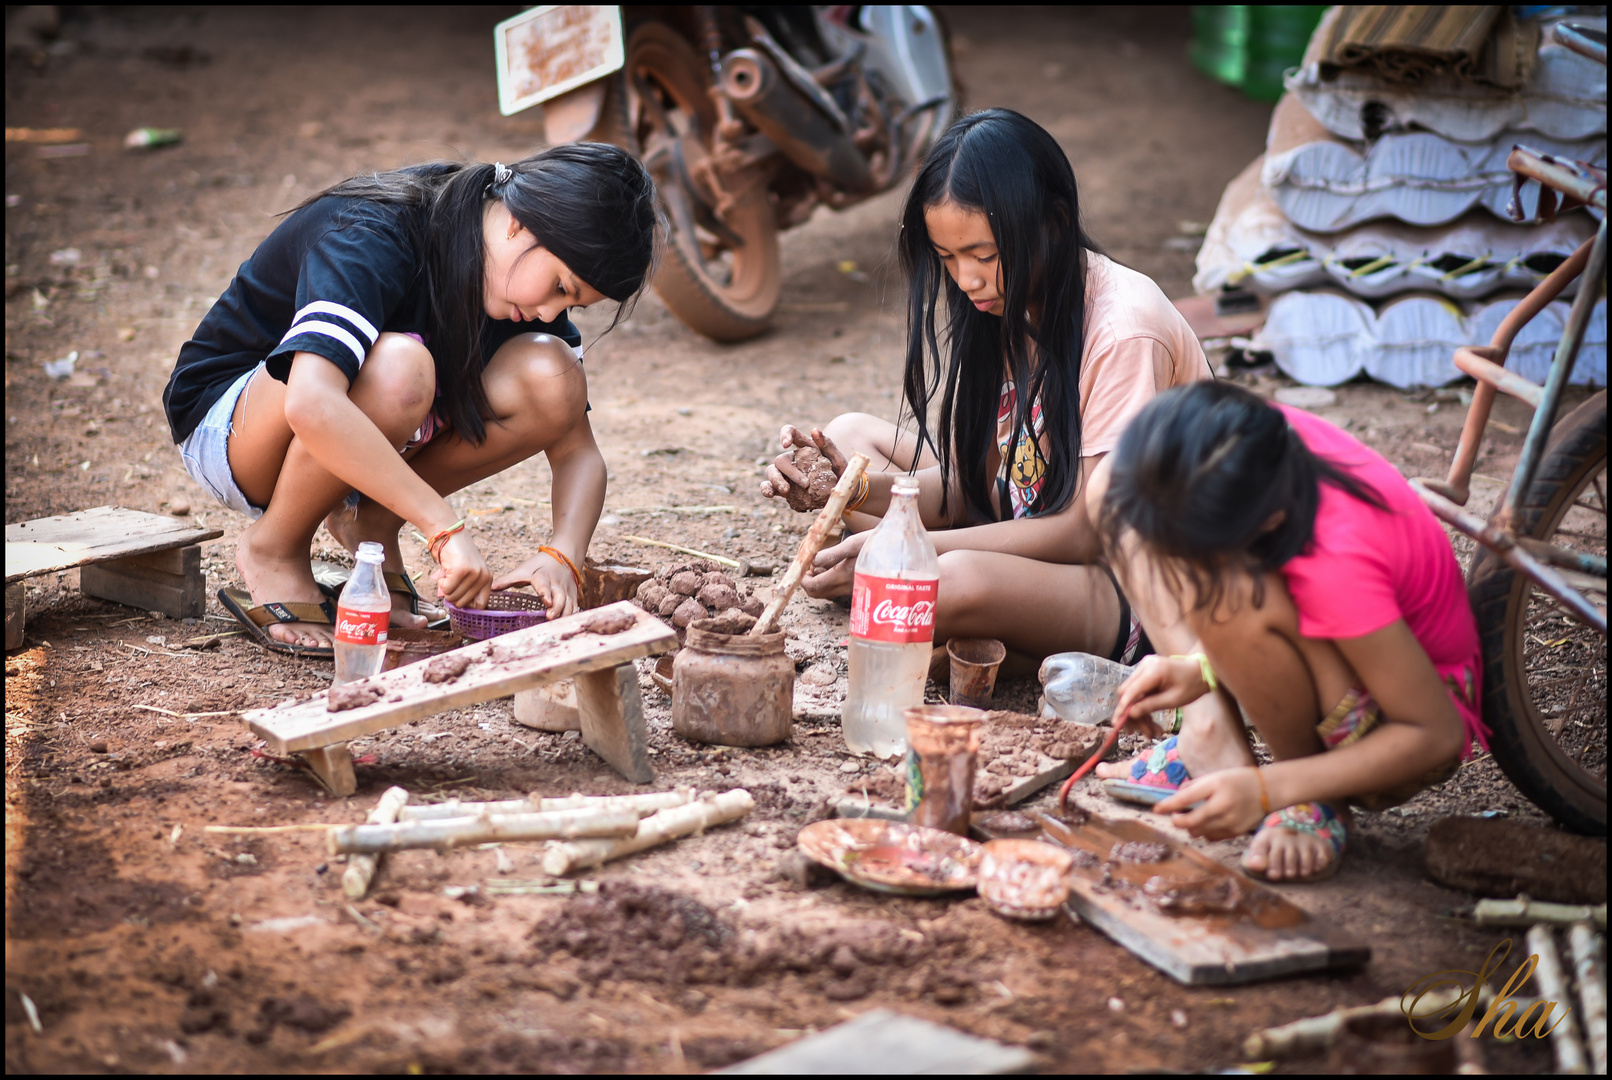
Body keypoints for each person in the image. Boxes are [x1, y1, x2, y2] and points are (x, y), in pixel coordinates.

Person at [162, 145, 657, 656]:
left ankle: (372, 521)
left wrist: (564, 554)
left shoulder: (519, 290)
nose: (548, 310)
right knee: (400, 368)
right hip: (232, 426)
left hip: (338, 432)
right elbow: (311, 402)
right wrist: (442, 527)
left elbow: (579, 451)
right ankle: (276, 546)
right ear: (517, 224)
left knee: (555, 376)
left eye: (571, 304)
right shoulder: (377, 230)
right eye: (559, 286)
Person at [760, 108, 1212, 666]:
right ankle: (980, 637)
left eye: (984, 255)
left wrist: (897, 547)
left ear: (1052, 222)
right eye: (947, 257)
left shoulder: (1123, 332)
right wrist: (845, 490)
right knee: (851, 435)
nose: (966, 279)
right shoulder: (1008, 299)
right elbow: (984, 484)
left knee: (952, 579)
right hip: (1031, 526)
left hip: (1134, 588)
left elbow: (1085, 532)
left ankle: (979, 629)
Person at [1090, 380, 1483, 882]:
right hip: (1343, 654)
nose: (1178, 583)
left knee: (1230, 602)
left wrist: (1269, 788)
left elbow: (1436, 735)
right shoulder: (1248, 443)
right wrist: (1204, 669)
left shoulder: (1339, 564)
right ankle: (1211, 736)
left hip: (1403, 725)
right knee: (1112, 485)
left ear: (1264, 524)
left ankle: (1315, 798)